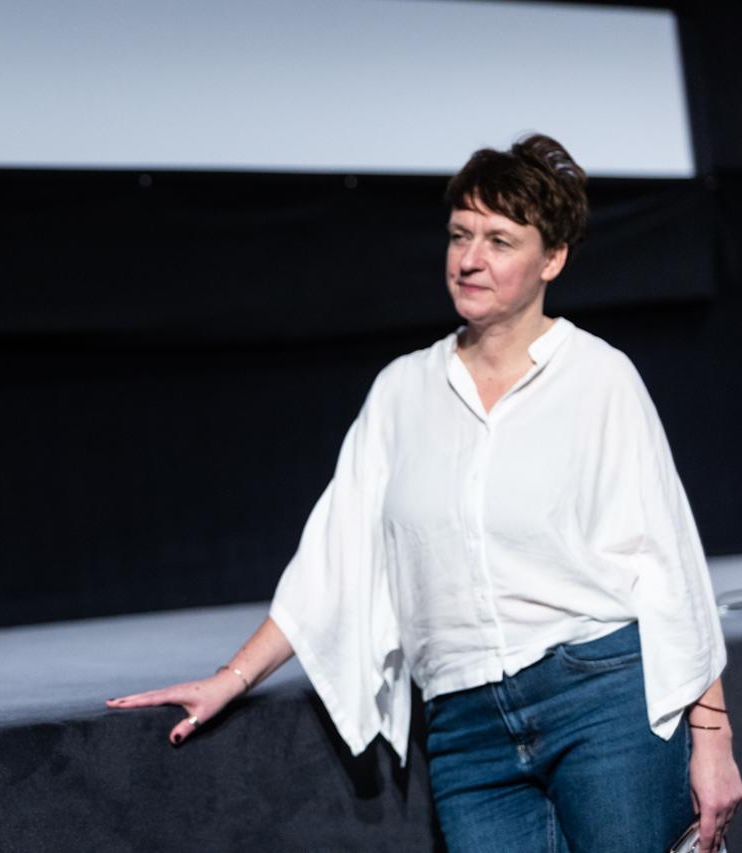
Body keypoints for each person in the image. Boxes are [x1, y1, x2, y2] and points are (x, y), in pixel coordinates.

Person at [108, 135, 742, 853]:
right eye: (460, 234)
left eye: (499, 240)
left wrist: (712, 737)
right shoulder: (402, 390)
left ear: (553, 259)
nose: (469, 259)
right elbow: (334, 558)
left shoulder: (599, 378)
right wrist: (231, 678)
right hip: (468, 729)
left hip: (600, 699)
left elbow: (668, 562)